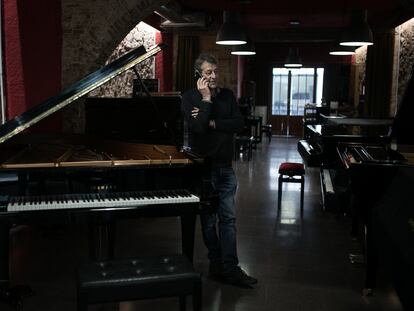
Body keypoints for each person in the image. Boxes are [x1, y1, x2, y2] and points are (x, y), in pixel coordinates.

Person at [181, 53, 257, 287]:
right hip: (203, 170)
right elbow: (198, 128)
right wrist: (205, 100)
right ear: (198, 74)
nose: (214, 76)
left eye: (215, 71)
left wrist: (214, 122)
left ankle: (231, 268)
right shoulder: (189, 98)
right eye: (208, 72)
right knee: (207, 222)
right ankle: (216, 261)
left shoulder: (227, 96)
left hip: (225, 168)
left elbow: (239, 123)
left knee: (229, 220)